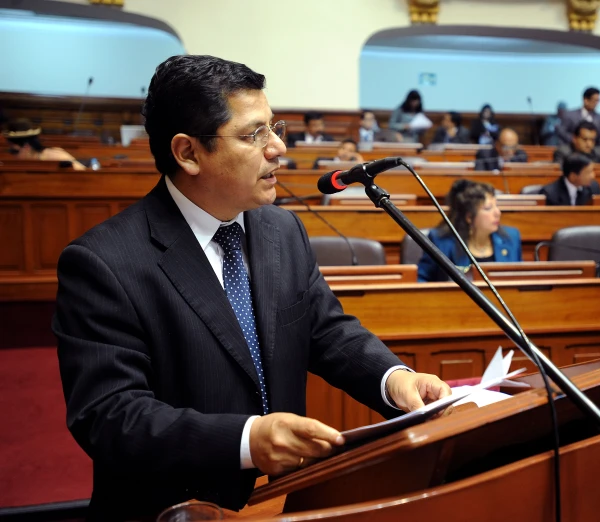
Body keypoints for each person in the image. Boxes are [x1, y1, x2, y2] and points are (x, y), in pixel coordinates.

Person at [53, 55, 450, 521]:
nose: (278, 146)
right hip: (177, 509)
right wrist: (246, 441)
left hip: (285, 500)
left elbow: (327, 331)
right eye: (253, 134)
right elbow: (110, 416)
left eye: (273, 127)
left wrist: (394, 379)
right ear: (188, 153)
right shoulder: (104, 262)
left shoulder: (282, 231)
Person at [417, 180, 521, 282]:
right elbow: (421, 280)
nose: (498, 212)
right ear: (469, 217)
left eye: (496, 206)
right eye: (488, 208)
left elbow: (521, 280)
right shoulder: (441, 241)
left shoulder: (511, 238)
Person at [2, 118, 87, 170]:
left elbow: (83, 174)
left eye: (14, 151)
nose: (13, 156)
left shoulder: (56, 156)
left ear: (26, 147)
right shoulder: (22, 164)